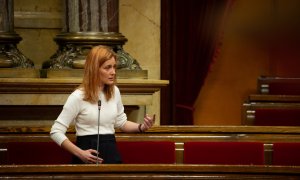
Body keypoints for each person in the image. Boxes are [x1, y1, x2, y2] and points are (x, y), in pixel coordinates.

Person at [50, 45, 155, 164]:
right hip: (86, 153)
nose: (113, 72)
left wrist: (141, 127)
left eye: (114, 67)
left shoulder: (115, 91)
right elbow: (56, 131)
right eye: (107, 68)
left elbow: (121, 122)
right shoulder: (78, 96)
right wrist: (80, 153)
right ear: (94, 69)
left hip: (110, 151)